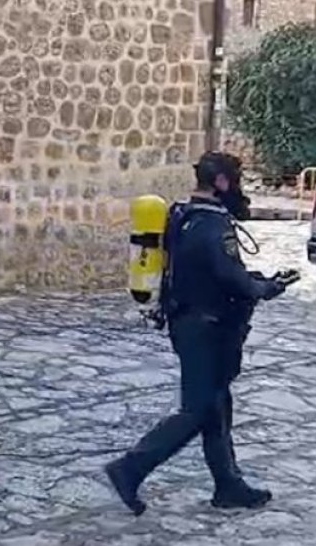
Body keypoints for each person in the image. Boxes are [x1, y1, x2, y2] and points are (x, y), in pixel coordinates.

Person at [105, 151, 288, 515]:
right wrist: (266, 287)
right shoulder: (213, 225)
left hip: (187, 321)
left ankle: (228, 484)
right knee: (198, 410)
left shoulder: (182, 216)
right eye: (235, 180)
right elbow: (231, 277)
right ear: (221, 182)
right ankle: (130, 468)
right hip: (207, 329)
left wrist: (254, 282)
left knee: (216, 406)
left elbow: (202, 270)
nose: (237, 188)